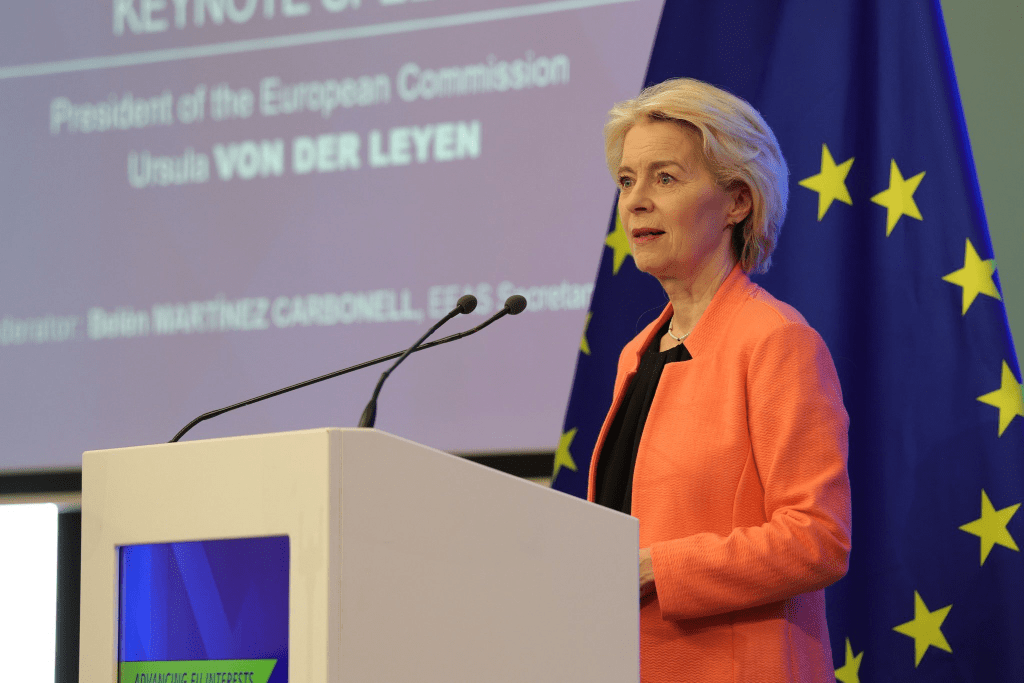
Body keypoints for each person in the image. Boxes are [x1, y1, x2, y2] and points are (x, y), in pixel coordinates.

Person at [588, 78, 852, 682]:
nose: (635, 201)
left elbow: (818, 538)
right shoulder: (637, 353)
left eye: (665, 178)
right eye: (626, 180)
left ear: (737, 201)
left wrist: (657, 568)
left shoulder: (776, 341)